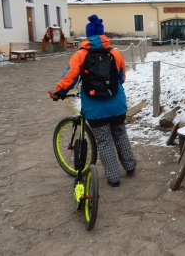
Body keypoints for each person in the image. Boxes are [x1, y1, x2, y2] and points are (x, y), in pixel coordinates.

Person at [54, 14, 136, 187]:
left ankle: (114, 177)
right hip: (117, 104)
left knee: (104, 140)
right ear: (104, 35)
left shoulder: (80, 55)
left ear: (88, 36)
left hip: (94, 107)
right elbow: (121, 78)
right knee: (120, 133)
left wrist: (60, 92)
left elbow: (69, 77)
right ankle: (130, 165)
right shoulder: (115, 54)